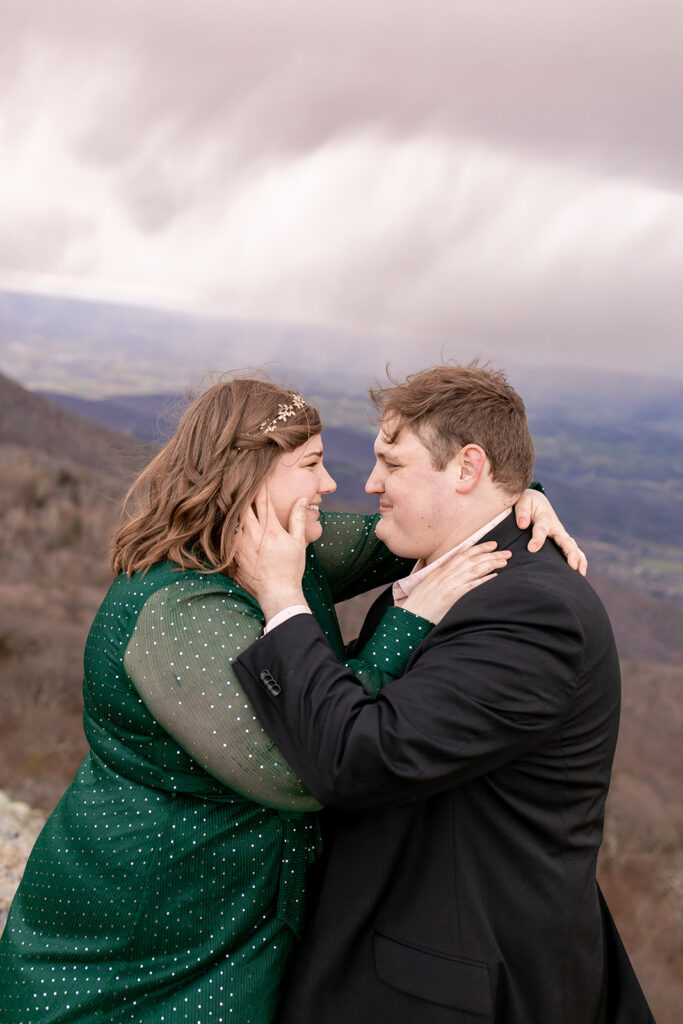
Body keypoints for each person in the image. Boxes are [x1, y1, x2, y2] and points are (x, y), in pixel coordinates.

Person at [0, 376, 579, 1024]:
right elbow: (300, 771)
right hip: (149, 920)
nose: (332, 484)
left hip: (231, 905)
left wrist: (514, 499)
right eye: (310, 465)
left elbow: (412, 529)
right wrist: (410, 618)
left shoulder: (280, 546)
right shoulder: (181, 614)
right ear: (250, 478)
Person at [233, 363, 655, 1024]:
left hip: (442, 990)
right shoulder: (454, 572)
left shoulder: (532, 613)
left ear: (465, 469)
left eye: (390, 464)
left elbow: (358, 759)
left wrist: (284, 604)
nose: (369, 483)